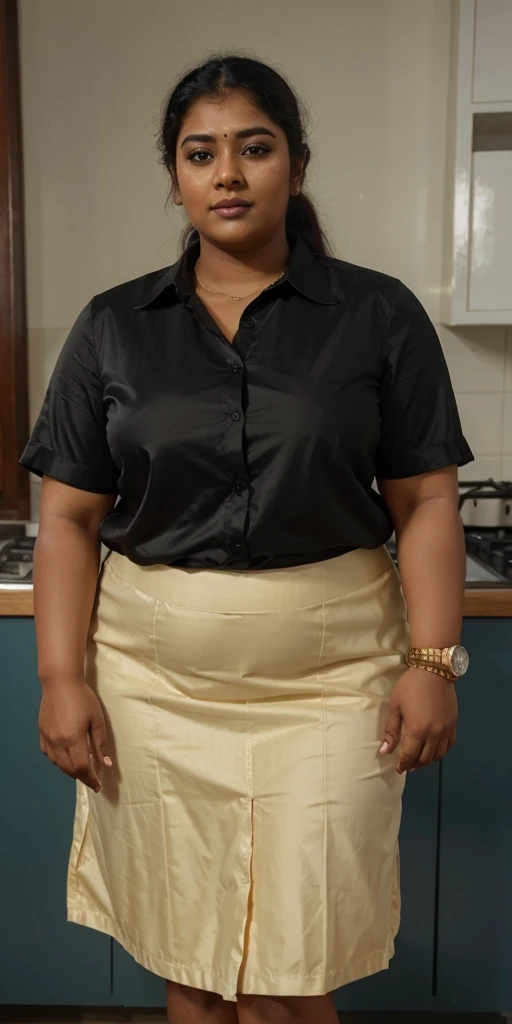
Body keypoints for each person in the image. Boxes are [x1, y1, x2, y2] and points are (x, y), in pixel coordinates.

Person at [19, 52, 474, 1024]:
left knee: (287, 972)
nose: (226, 173)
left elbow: (425, 501)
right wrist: (62, 676)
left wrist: (432, 658)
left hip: (331, 681)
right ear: (176, 176)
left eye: (253, 148)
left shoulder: (376, 315)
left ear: (294, 167)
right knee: (191, 961)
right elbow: (66, 516)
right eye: (200, 152)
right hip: (153, 689)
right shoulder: (112, 327)